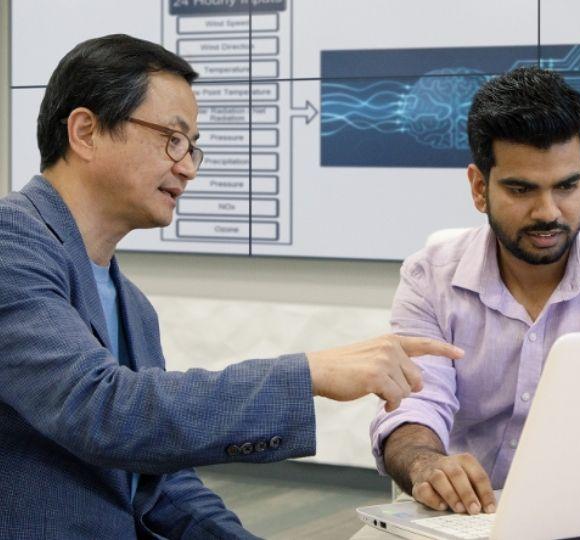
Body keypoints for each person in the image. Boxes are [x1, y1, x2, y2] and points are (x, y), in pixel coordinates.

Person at [0, 34, 464, 539]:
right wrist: (308, 373)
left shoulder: (133, 306)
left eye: (192, 148)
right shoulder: (11, 241)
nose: (187, 168)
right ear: (86, 132)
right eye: (172, 139)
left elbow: (162, 480)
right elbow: (100, 410)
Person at [370, 66, 580, 518]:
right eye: (521, 189)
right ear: (479, 188)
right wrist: (426, 463)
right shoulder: (430, 278)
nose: (548, 212)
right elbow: (415, 405)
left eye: (567, 186)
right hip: (476, 517)